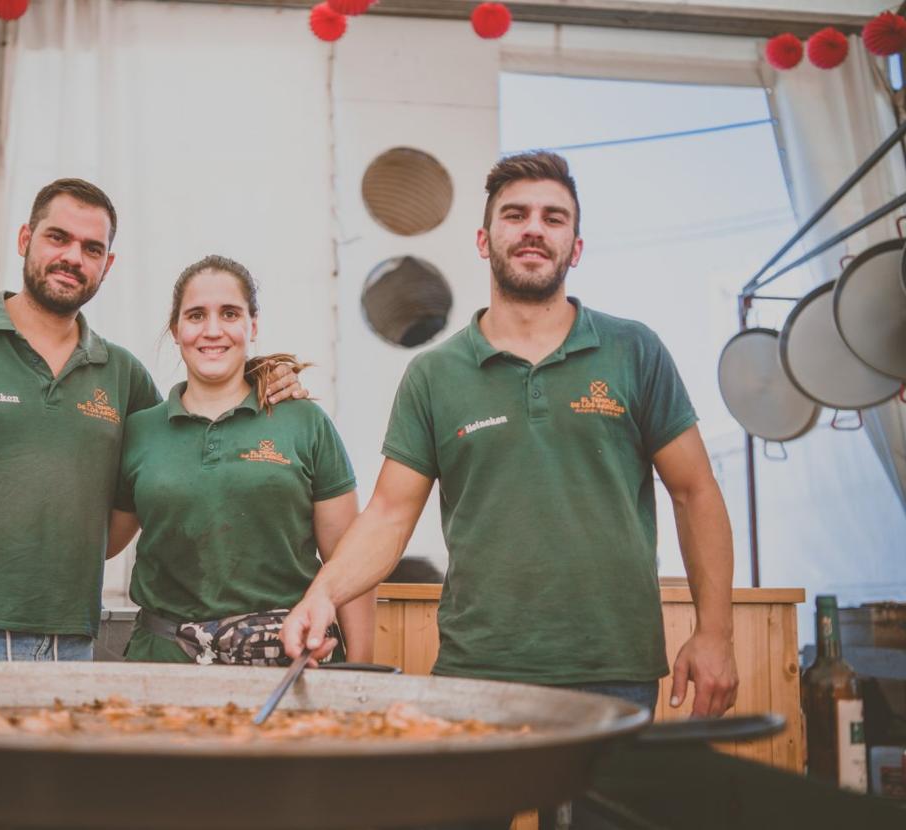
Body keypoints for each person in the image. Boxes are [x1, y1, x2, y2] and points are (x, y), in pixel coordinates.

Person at [281, 151, 738, 825]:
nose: (534, 229)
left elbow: (696, 492)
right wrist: (322, 594)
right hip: (480, 671)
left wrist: (717, 632)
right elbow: (387, 513)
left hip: (613, 666)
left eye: (554, 218)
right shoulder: (435, 375)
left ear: (575, 246)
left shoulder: (634, 351)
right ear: (483, 238)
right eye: (515, 215)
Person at [0, 179, 305, 665]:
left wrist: (263, 377)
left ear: (107, 266)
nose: (72, 257)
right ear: (25, 239)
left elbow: (192, 441)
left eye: (91, 248)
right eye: (57, 238)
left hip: (71, 647)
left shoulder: (122, 373)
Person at [109, 255, 375, 665]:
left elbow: (348, 560)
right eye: (196, 315)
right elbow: (107, 541)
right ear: (176, 329)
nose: (212, 330)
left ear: (252, 325)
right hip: (163, 663)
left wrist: (361, 668)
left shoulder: (305, 422)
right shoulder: (141, 431)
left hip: (286, 661)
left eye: (229, 314)